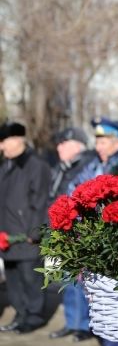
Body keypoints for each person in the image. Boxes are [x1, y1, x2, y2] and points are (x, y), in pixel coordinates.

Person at [67, 117, 118, 346]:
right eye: (97, 141)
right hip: (92, 241)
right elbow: (74, 191)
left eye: (104, 141)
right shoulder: (92, 165)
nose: (98, 146)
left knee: (117, 299)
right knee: (98, 299)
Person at [0, 122, 51, 334]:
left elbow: (41, 202)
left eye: (3, 142)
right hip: (7, 236)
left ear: (17, 139)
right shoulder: (5, 166)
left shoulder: (36, 165)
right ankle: (20, 315)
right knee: (13, 282)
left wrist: (35, 233)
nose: (1, 148)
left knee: (31, 279)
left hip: (26, 236)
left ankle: (34, 316)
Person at [48, 127, 97, 342]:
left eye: (63, 143)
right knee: (66, 280)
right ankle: (72, 323)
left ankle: (85, 326)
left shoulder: (86, 165)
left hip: (78, 231)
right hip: (61, 229)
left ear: (77, 145)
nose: (58, 147)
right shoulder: (62, 167)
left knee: (83, 282)